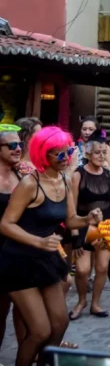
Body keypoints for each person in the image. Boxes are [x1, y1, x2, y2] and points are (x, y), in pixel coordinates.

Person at [0, 126, 103, 366]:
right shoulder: (29, 183)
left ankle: (45, 362)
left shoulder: (65, 180)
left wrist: (88, 219)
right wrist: (39, 241)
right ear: (43, 155)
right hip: (19, 262)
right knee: (39, 331)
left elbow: (69, 220)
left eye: (67, 152)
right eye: (58, 154)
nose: (65, 158)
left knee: (60, 323)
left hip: (46, 261)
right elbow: (5, 224)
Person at [70, 138, 110, 321]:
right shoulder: (78, 175)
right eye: (97, 152)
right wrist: (75, 235)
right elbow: (72, 207)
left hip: (104, 227)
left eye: (104, 152)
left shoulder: (108, 174)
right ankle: (81, 301)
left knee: (102, 267)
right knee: (82, 270)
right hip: (83, 226)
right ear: (87, 153)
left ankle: (95, 303)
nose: (101, 156)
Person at [0, 124, 25, 350]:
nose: (18, 149)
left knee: (11, 309)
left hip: (16, 253)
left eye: (20, 144)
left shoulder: (21, 174)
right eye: (12, 145)